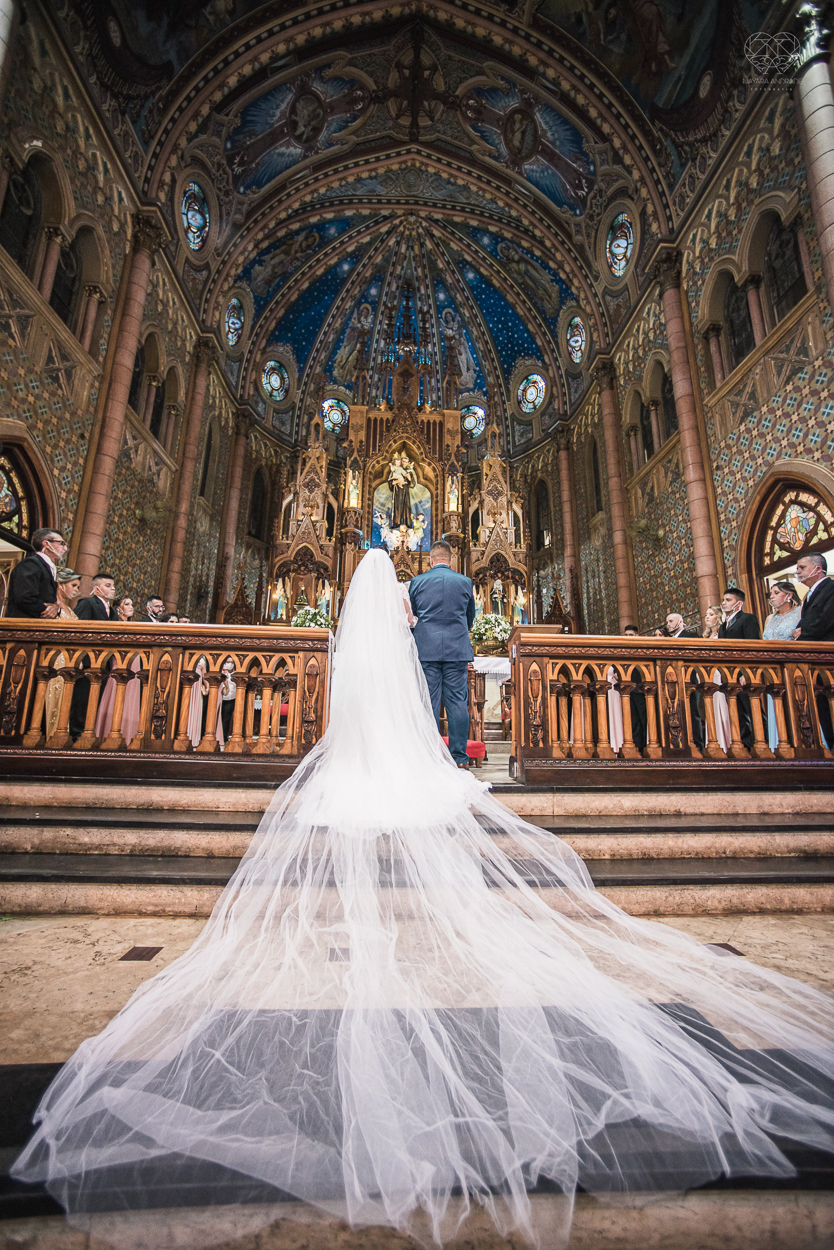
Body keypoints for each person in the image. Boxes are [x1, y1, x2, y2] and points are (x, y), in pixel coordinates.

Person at [12, 550, 834, 1250]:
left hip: (383, 685)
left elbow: (371, 664)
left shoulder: (389, 609)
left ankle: (401, 767)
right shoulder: (453, 587)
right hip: (442, 657)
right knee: (445, 715)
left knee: (373, 739)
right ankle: (443, 762)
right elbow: (447, 623)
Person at [407, 539, 476, 768]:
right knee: (457, 703)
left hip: (427, 649)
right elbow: (470, 618)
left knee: (429, 702)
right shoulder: (465, 582)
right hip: (457, 649)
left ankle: (430, 756)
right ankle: (459, 758)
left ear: (431, 560)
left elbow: (413, 617)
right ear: (451, 560)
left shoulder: (417, 582)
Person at [69, 573, 118, 740]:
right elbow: (79, 631)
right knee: (82, 699)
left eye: (113, 586)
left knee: (96, 699)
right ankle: (76, 733)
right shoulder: (87, 603)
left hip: (104, 662)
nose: (112, 589)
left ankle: (90, 732)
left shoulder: (113, 611)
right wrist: (79, 657)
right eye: (108, 586)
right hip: (88, 660)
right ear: (97, 589)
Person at [792, 554, 834, 745]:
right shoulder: (810, 593)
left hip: (827, 655)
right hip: (814, 658)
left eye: (801, 567)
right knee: (823, 707)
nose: (797, 571)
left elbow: (826, 619)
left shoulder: (830, 588)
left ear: (817, 569)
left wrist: (802, 633)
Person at [94, 597, 142, 746]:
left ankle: (127, 736)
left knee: (130, 699)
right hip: (119, 664)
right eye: (127, 604)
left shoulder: (135, 626)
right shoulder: (114, 624)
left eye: (132, 604)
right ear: (118, 608)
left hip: (135, 667)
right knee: (115, 696)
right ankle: (108, 733)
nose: (131, 607)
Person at [717, 588, 759, 750]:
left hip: (743, 672)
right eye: (723, 600)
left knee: (752, 709)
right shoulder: (723, 626)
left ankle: (760, 743)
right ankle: (745, 745)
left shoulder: (747, 619)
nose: (724, 603)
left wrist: (747, 671)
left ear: (739, 603)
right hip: (729, 672)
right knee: (738, 712)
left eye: (728, 600)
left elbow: (752, 646)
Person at [762, 582, 802, 752]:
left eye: (776, 592)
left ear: (789, 595)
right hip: (773, 671)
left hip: (795, 667)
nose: (771, 596)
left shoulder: (800, 612)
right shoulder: (769, 618)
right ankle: (780, 745)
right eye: (771, 593)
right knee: (778, 706)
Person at [43, 568, 82, 741]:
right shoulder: (51, 607)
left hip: (69, 660)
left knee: (67, 700)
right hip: (54, 658)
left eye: (77, 586)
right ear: (60, 584)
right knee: (51, 696)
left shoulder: (70, 610)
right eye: (73, 585)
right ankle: (48, 734)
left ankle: (60, 735)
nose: (76, 590)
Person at [6, 528, 66, 618]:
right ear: (46, 544)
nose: (65, 548)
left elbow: (48, 600)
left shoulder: (47, 566)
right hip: (24, 623)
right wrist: (48, 610)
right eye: (61, 543)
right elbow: (25, 598)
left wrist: (56, 607)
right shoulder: (30, 564)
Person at [702, 606, 730, 752]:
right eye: (706, 614)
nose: (707, 617)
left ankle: (726, 742)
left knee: (722, 706)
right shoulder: (705, 637)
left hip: (720, 673)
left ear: (718, 617)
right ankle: (714, 740)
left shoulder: (723, 634)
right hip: (709, 674)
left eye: (711, 614)